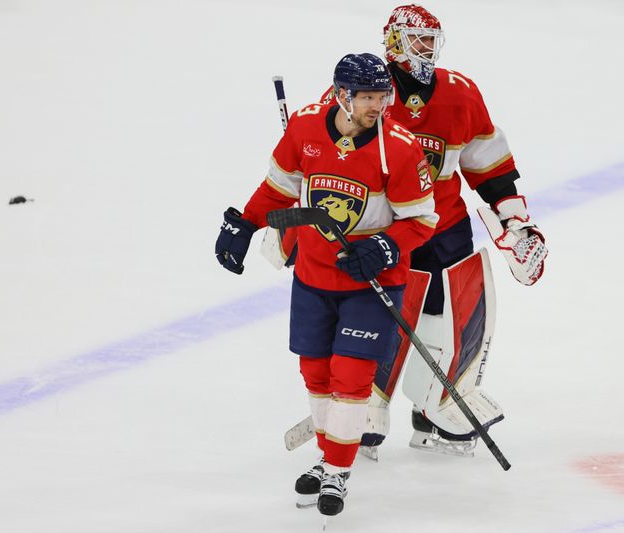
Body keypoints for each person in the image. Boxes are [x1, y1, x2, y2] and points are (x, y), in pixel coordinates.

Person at [311, 4, 548, 457]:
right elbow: (326, 161)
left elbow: (487, 163)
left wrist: (513, 219)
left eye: (430, 41)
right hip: (387, 228)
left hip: (444, 226)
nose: (426, 50)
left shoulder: (459, 93)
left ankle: (437, 407)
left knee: (452, 315)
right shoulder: (362, 92)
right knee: (382, 318)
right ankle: (366, 411)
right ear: (395, 41)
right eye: (418, 40)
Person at [214, 53, 438, 516]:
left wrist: (384, 247)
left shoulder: (398, 147)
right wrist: (245, 223)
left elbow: (421, 220)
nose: (379, 105)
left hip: (370, 281)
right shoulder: (305, 127)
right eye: (369, 97)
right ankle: (327, 455)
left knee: (352, 377)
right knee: (316, 374)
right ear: (343, 95)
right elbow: (279, 188)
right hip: (314, 277)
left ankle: (337, 469)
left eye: (383, 96)